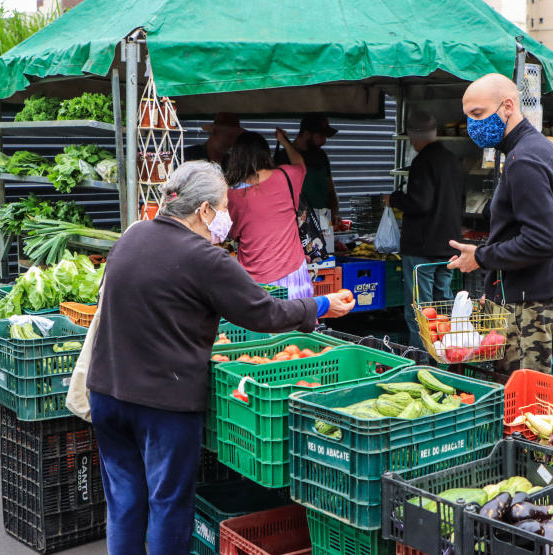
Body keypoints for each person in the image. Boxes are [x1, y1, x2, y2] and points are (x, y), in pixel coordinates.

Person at [85, 161, 354, 554]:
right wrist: (321, 304)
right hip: (163, 405)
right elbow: (265, 314)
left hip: (106, 393)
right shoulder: (207, 260)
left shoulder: (132, 235)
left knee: (124, 502)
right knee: (167, 504)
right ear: (204, 211)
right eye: (226, 205)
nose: (229, 214)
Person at [448, 73, 553, 374]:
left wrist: (480, 257)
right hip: (531, 300)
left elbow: (543, 241)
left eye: (478, 114)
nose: (472, 125)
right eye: (468, 117)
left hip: (530, 308)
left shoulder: (524, 160)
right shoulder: (534, 149)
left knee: (520, 403)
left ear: (507, 106)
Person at [385, 109, 465, 347]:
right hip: (448, 244)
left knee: (421, 308)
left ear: (414, 137)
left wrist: (395, 199)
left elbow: (420, 202)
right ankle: (448, 353)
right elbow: (461, 201)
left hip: (422, 247)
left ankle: (421, 360)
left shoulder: (422, 162)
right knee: (444, 305)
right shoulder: (453, 160)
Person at [225, 129, 312, 299]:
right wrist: (285, 141)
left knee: (261, 325)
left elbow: (234, 233)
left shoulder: (231, 195)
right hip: (293, 274)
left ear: (236, 158)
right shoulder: (287, 176)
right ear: (265, 153)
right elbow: (300, 163)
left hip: (255, 281)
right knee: (298, 321)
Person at [274, 113, 341, 227]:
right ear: (307, 134)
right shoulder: (283, 158)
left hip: (323, 225)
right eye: (321, 136)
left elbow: (331, 193)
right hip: (297, 227)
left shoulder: (321, 156)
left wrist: (331, 217)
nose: (324, 141)